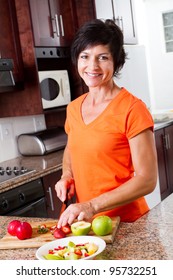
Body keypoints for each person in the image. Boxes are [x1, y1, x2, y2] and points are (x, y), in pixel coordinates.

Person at [55, 19, 158, 228]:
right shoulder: (73, 108)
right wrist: (67, 174)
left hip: (128, 224)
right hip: (87, 225)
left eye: (102, 57)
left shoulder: (132, 109)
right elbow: (72, 148)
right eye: (85, 57)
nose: (92, 66)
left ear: (116, 62)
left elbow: (147, 179)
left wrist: (91, 205)